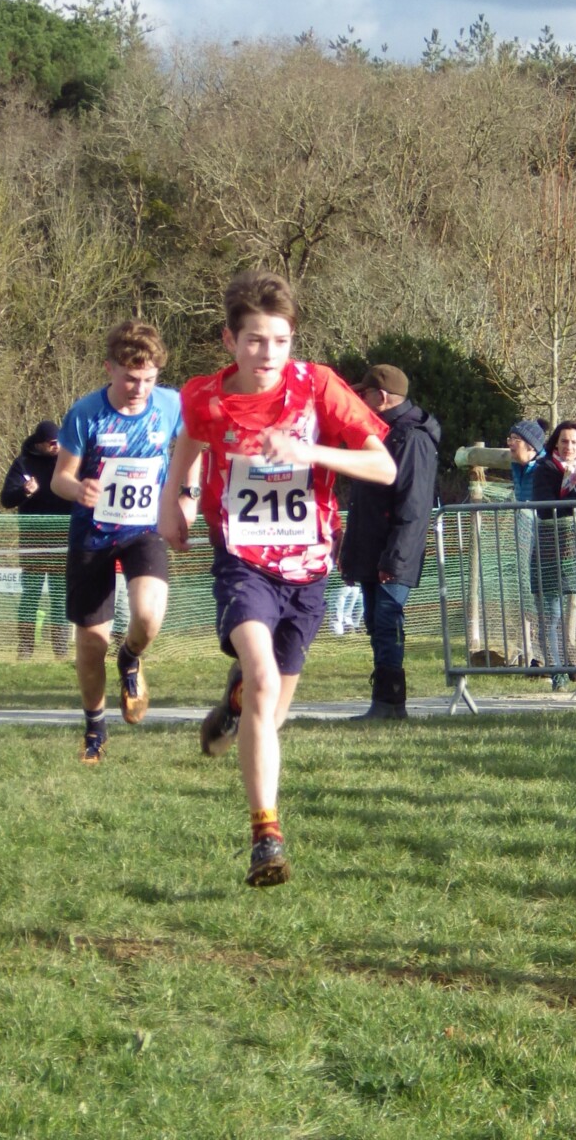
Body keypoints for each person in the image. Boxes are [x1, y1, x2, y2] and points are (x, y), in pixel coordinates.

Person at [158, 269, 395, 888]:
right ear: (230, 340)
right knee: (263, 677)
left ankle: (236, 704)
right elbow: (190, 440)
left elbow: (384, 468)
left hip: (308, 566)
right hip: (241, 559)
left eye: (281, 341)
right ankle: (266, 837)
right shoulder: (206, 397)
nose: (268, 354)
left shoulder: (317, 387)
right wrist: (174, 500)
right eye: (256, 340)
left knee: (272, 709)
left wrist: (308, 452)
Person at [51, 321, 182, 763]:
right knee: (91, 642)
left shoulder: (170, 405)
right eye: (130, 378)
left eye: (148, 379)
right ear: (110, 369)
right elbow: (60, 479)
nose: (139, 389)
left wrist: (188, 493)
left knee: (148, 617)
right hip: (92, 534)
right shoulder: (86, 413)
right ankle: (95, 728)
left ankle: (130, 657)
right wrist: (79, 488)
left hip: (144, 529)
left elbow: (194, 445)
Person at [339, 364, 440, 719]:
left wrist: (394, 559)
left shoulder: (412, 438)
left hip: (394, 551)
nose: (359, 401)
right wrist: (351, 551)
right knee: (375, 621)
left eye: (364, 394)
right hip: (372, 547)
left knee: (387, 620)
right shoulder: (380, 434)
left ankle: (390, 701)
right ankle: (384, 700)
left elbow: (414, 505)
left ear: (381, 397)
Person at [531, 421, 576, 691]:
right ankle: (557, 672)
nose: (569, 447)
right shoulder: (544, 468)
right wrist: (574, 493)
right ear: (556, 443)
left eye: (574, 442)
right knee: (551, 613)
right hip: (549, 551)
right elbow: (545, 507)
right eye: (564, 441)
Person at [0, 420, 72, 660]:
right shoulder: (23, 464)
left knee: (60, 597)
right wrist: (24, 491)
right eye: (51, 443)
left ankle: (60, 652)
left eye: (59, 441)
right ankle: (25, 649)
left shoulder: (68, 462)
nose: (56, 446)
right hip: (33, 541)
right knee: (30, 595)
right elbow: (6, 500)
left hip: (63, 542)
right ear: (39, 443)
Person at [506, 419, 546, 668]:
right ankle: (532, 654)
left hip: (546, 542)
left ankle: (550, 656)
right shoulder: (517, 466)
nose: (510, 444)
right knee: (527, 595)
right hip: (525, 541)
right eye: (509, 439)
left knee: (546, 598)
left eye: (515, 440)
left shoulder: (543, 468)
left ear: (532, 446)